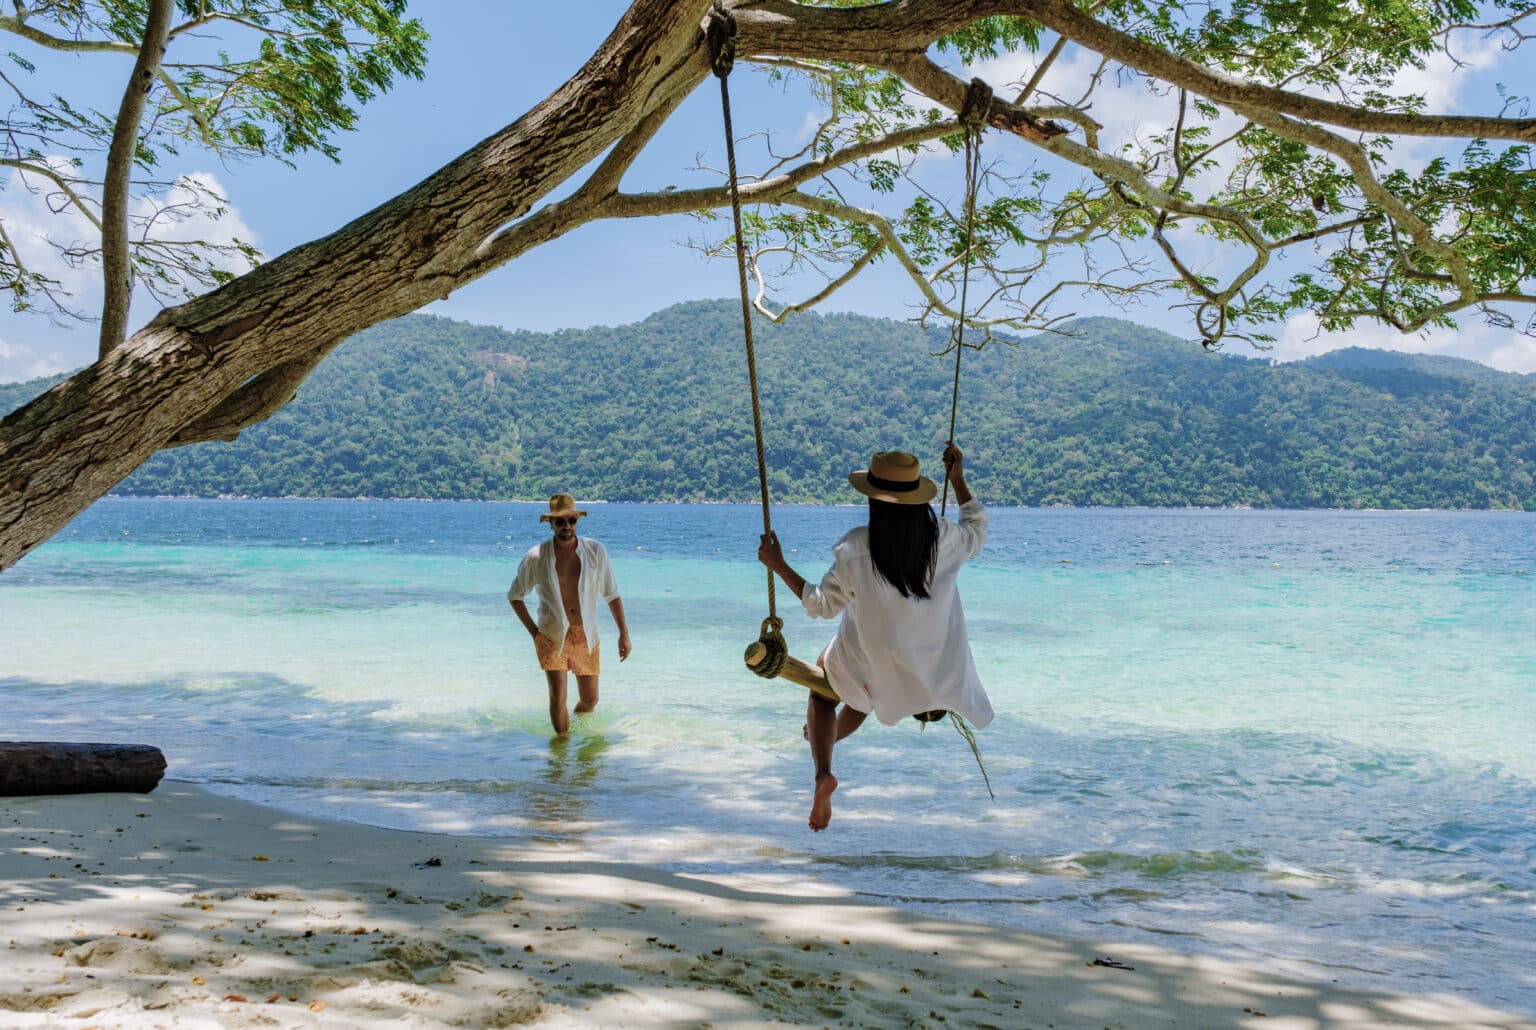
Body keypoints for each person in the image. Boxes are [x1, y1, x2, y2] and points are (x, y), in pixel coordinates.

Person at [757, 443, 991, 831]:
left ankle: (823, 771)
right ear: (918, 499)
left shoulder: (857, 546)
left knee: (825, 686)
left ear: (874, 500)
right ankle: (823, 739)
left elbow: (820, 606)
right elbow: (978, 528)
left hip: (870, 668)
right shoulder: (944, 538)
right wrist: (959, 479)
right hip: (931, 676)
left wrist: (778, 565)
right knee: (864, 689)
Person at [509, 493, 632, 735]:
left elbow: (612, 594)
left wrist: (623, 634)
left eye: (571, 521)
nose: (566, 526)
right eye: (560, 522)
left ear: (577, 521)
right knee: (558, 697)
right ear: (551, 523)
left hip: (586, 634)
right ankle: (561, 754)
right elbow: (515, 595)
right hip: (551, 635)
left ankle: (574, 734)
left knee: (590, 699)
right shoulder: (536, 556)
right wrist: (535, 633)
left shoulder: (595, 551)